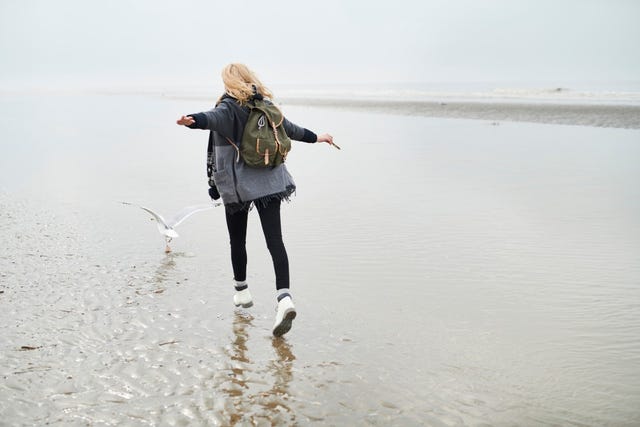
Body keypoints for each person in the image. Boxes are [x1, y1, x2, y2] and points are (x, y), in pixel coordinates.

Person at [177, 63, 334, 337]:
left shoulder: (229, 108)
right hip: (271, 182)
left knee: (238, 240)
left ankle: (242, 291)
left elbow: (210, 118)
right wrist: (318, 137)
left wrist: (192, 120)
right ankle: (284, 298)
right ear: (250, 80)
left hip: (238, 188)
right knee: (275, 240)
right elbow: (291, 130)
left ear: (227, 82)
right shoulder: (266, 105)